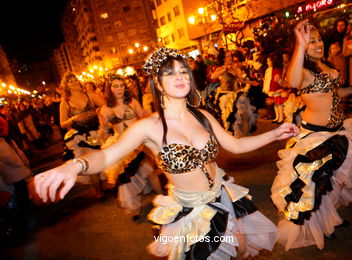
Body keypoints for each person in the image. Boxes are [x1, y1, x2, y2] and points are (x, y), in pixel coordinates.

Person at [33, 47, 299, 259]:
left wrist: (274, 134)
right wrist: (74, 166)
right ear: (158, 84)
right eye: (170, 73)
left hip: (222, 196)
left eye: (183, 71)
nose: (180, 77)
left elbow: (236, 145)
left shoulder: (203, 115)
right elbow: (106, 156)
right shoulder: (148, 126)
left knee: (239, 249)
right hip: (191, 211)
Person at [271, 20, 352, 251]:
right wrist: (300, 45)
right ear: (301, 45)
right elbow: (293, 82)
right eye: (311, 41)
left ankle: (329, 219)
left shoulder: (327, 66)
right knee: (313, 187)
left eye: (319, 39)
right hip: (315, 138)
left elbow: (333, 93)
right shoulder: (301, 71)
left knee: (332, 183)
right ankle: (318, 226)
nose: (318, 44)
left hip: (338, 133)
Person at [99, 73, 161, 218]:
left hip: (139, 143)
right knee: (126, 180)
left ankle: (164, 201)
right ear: (109, 89)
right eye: (115, 86)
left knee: (149, 171)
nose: (119, 89)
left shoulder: (132, 101)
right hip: (122, 146)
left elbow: (143, 117)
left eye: (121, 85)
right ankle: (134, 207)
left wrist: (147, 114)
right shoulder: (106, 109)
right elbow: (104, 132)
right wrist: (102, 129)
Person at [59, 73, 104, 199]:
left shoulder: (88, 95)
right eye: (70, 82)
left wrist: (100, 111)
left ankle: (102, 185)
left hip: (98, 132)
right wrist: (73, 118)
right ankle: (98, 191)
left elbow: (104, 104)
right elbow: (62, 123)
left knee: (103, 160)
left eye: (75, 80)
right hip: (81, 137)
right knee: (92, 162)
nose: (74, 83)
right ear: (66, 86)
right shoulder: (65, 102)